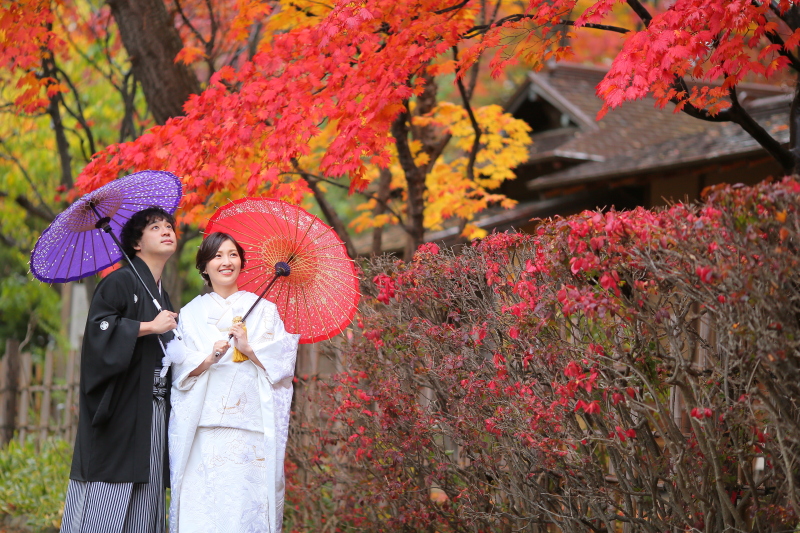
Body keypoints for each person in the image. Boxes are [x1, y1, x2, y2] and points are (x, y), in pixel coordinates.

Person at [164, 232, 300, 533]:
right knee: (201, 515)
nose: (226, 262)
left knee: (242, 515)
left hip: (248, 432)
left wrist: (250, 348)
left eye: (233, 255)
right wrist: (208, 359)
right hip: (203, 430)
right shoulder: (191, 314)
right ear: (204, 267)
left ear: (241, 262)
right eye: (217, 256)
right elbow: (179, 373)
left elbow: (283, 366)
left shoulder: (264, 310)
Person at [60, 207, 179, 533]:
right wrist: (147, 326)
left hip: (153, 412)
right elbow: (99, 333)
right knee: (105, 502)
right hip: (121, 409)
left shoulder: (161, 294)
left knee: (147, 495)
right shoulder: (119, 282)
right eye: (156, 227)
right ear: (137, 243)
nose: (167, 230)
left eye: (169, 226)